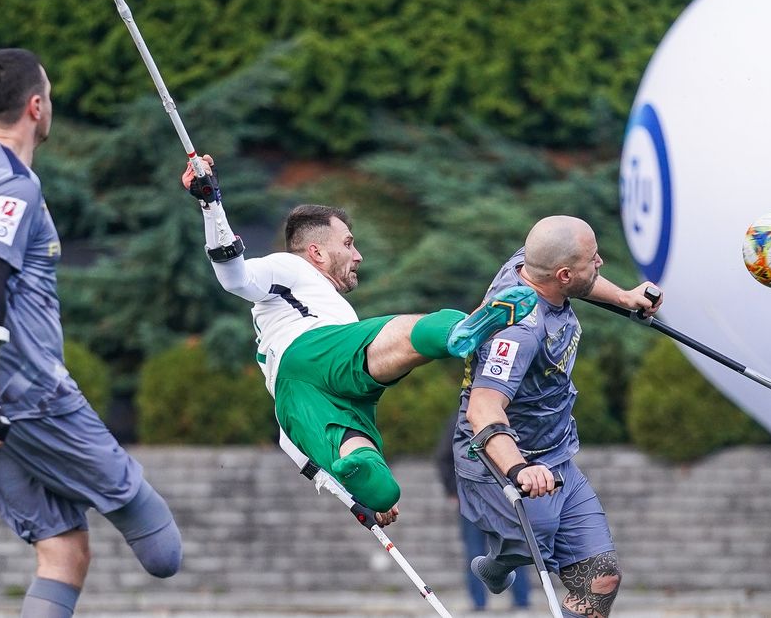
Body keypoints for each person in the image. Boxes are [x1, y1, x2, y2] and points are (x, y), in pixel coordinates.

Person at [0, 48, 182, 618]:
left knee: (65, 553)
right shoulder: (12, 181)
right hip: (28, 397)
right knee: (164, 548)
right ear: (36, 106)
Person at [181, 159, 537, 524]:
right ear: (316, 251)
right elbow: (235, 277)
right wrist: (211, 204)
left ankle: (368, 479)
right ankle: (457, 330)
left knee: (381, 487)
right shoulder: (292, 267)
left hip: (299, 402)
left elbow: (297, 452)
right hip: (314, 352)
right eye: (348, 243)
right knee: (396, 339)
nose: (358, 255)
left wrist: (353, 497)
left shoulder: (322, 306)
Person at [453, 215, 661, 618]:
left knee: (601, 579)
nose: (600, 261)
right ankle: (500, 563)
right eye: (592, 259)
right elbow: (482, 407)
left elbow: (578, 277)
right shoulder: (519, 331)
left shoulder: (529, 263)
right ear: (563, 275)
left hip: (557, 455)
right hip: (502, 461)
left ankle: (502, 562)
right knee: (534, 537)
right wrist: (519, 469)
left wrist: (625, 297)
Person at [435, 416, 530, 612]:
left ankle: (516, 600)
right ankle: (486, 602)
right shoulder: (464, 420)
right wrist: (454, 490)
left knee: (509, 549)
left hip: (500, 499)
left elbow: (443, 457)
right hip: (481, 499)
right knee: (494, 549)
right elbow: (444, 458)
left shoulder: (465, 418)